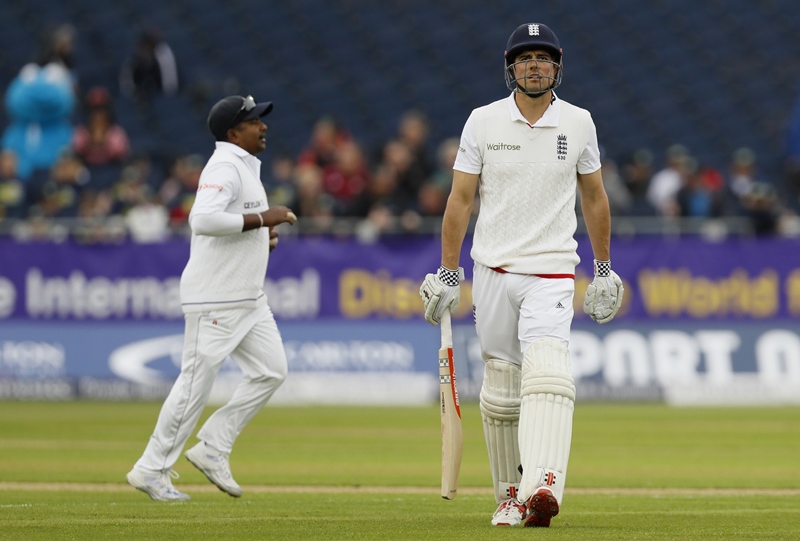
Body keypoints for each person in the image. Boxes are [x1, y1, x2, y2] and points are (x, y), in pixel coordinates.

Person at [419, 23, 623, 528]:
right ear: (511, 67)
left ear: (557, 67)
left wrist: (602, 269)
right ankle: (510, 496)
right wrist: (449, 273)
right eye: (526, 58)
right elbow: (460, 200)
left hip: (551, 270)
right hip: (492, 269)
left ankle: (544, 485)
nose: (535, 66)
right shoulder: (482, 122)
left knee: (549, 368)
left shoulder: (578, 122)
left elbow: (594, 198)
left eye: (544, 58)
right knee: (503, 388)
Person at [126, 94, 298, 501]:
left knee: (272, 370)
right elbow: (202, 219)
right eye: (255, 121)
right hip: (216, 299)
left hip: (248, 299)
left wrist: (259, 236)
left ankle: (213, 448)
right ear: (233, 133)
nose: (263, 126)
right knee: (193, 387)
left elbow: (231, 223)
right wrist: (263, 219)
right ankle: (151, 469)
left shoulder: (242, 166)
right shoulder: (224, 165)